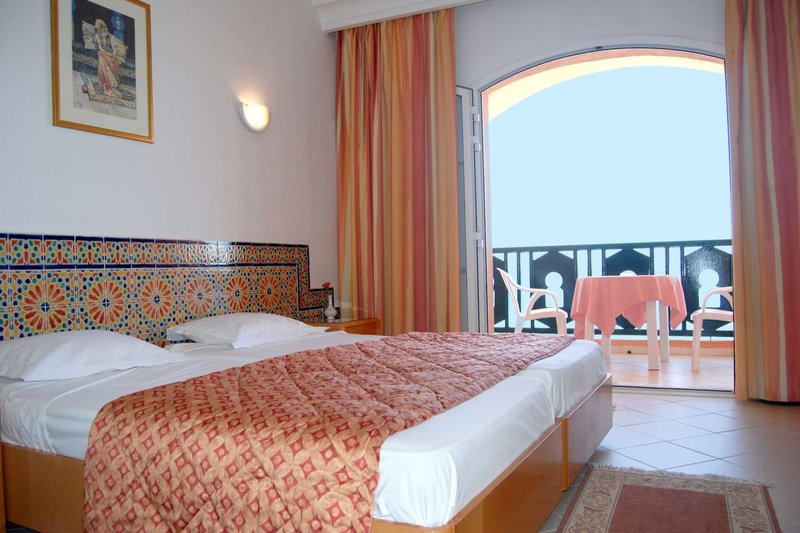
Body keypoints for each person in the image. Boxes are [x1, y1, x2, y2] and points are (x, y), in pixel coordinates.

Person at [94, 19, 121, 97]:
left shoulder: (111, 37)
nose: (103, 32)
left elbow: (114, 50)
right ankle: (107, 85)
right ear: (99, 30)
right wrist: (105, 53)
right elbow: (100, 48)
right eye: (101, 30)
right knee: (103, 65)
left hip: (110, 55)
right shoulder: (97, 36)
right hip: (103, 54)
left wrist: (112, 54)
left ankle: (114, 85)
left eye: (104, 29)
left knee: (112, 65)